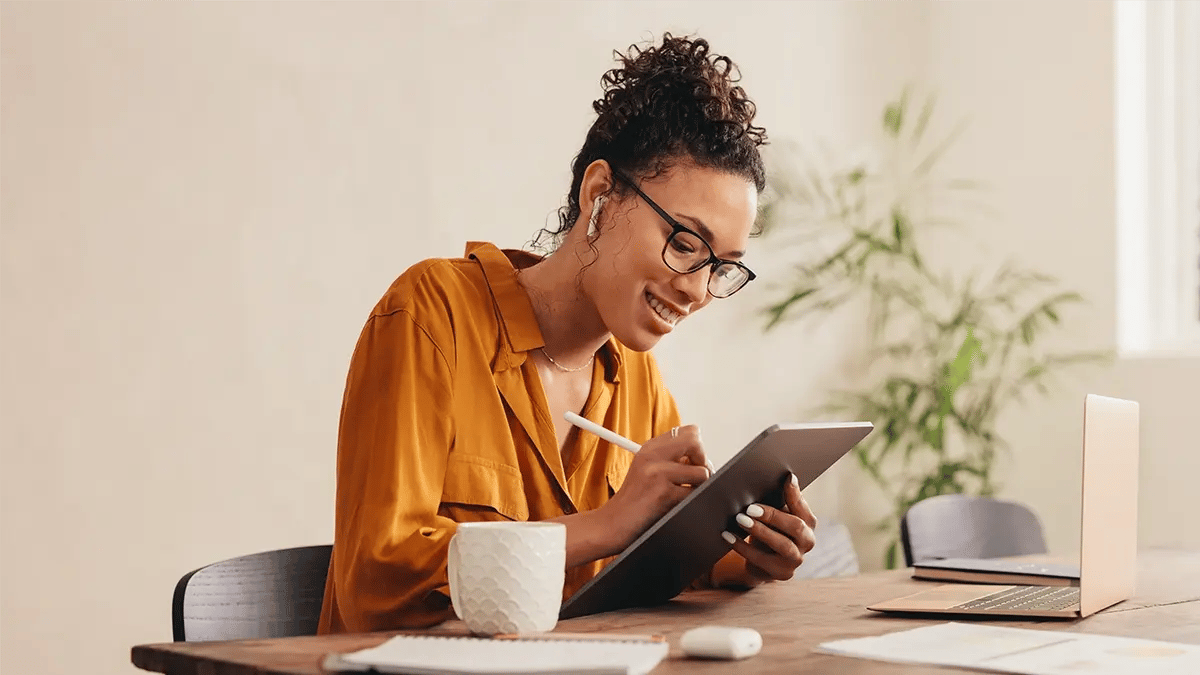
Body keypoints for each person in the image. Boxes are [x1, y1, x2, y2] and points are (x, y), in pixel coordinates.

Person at [317, 33, 818, 634]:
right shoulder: (432, 314)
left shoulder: (634, 377)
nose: (698, 290)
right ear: (599, 194)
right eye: (686, 244)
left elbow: (643, 566)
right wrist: (608, 522)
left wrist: (743, 558)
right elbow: (378, 581)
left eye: (722, 267)